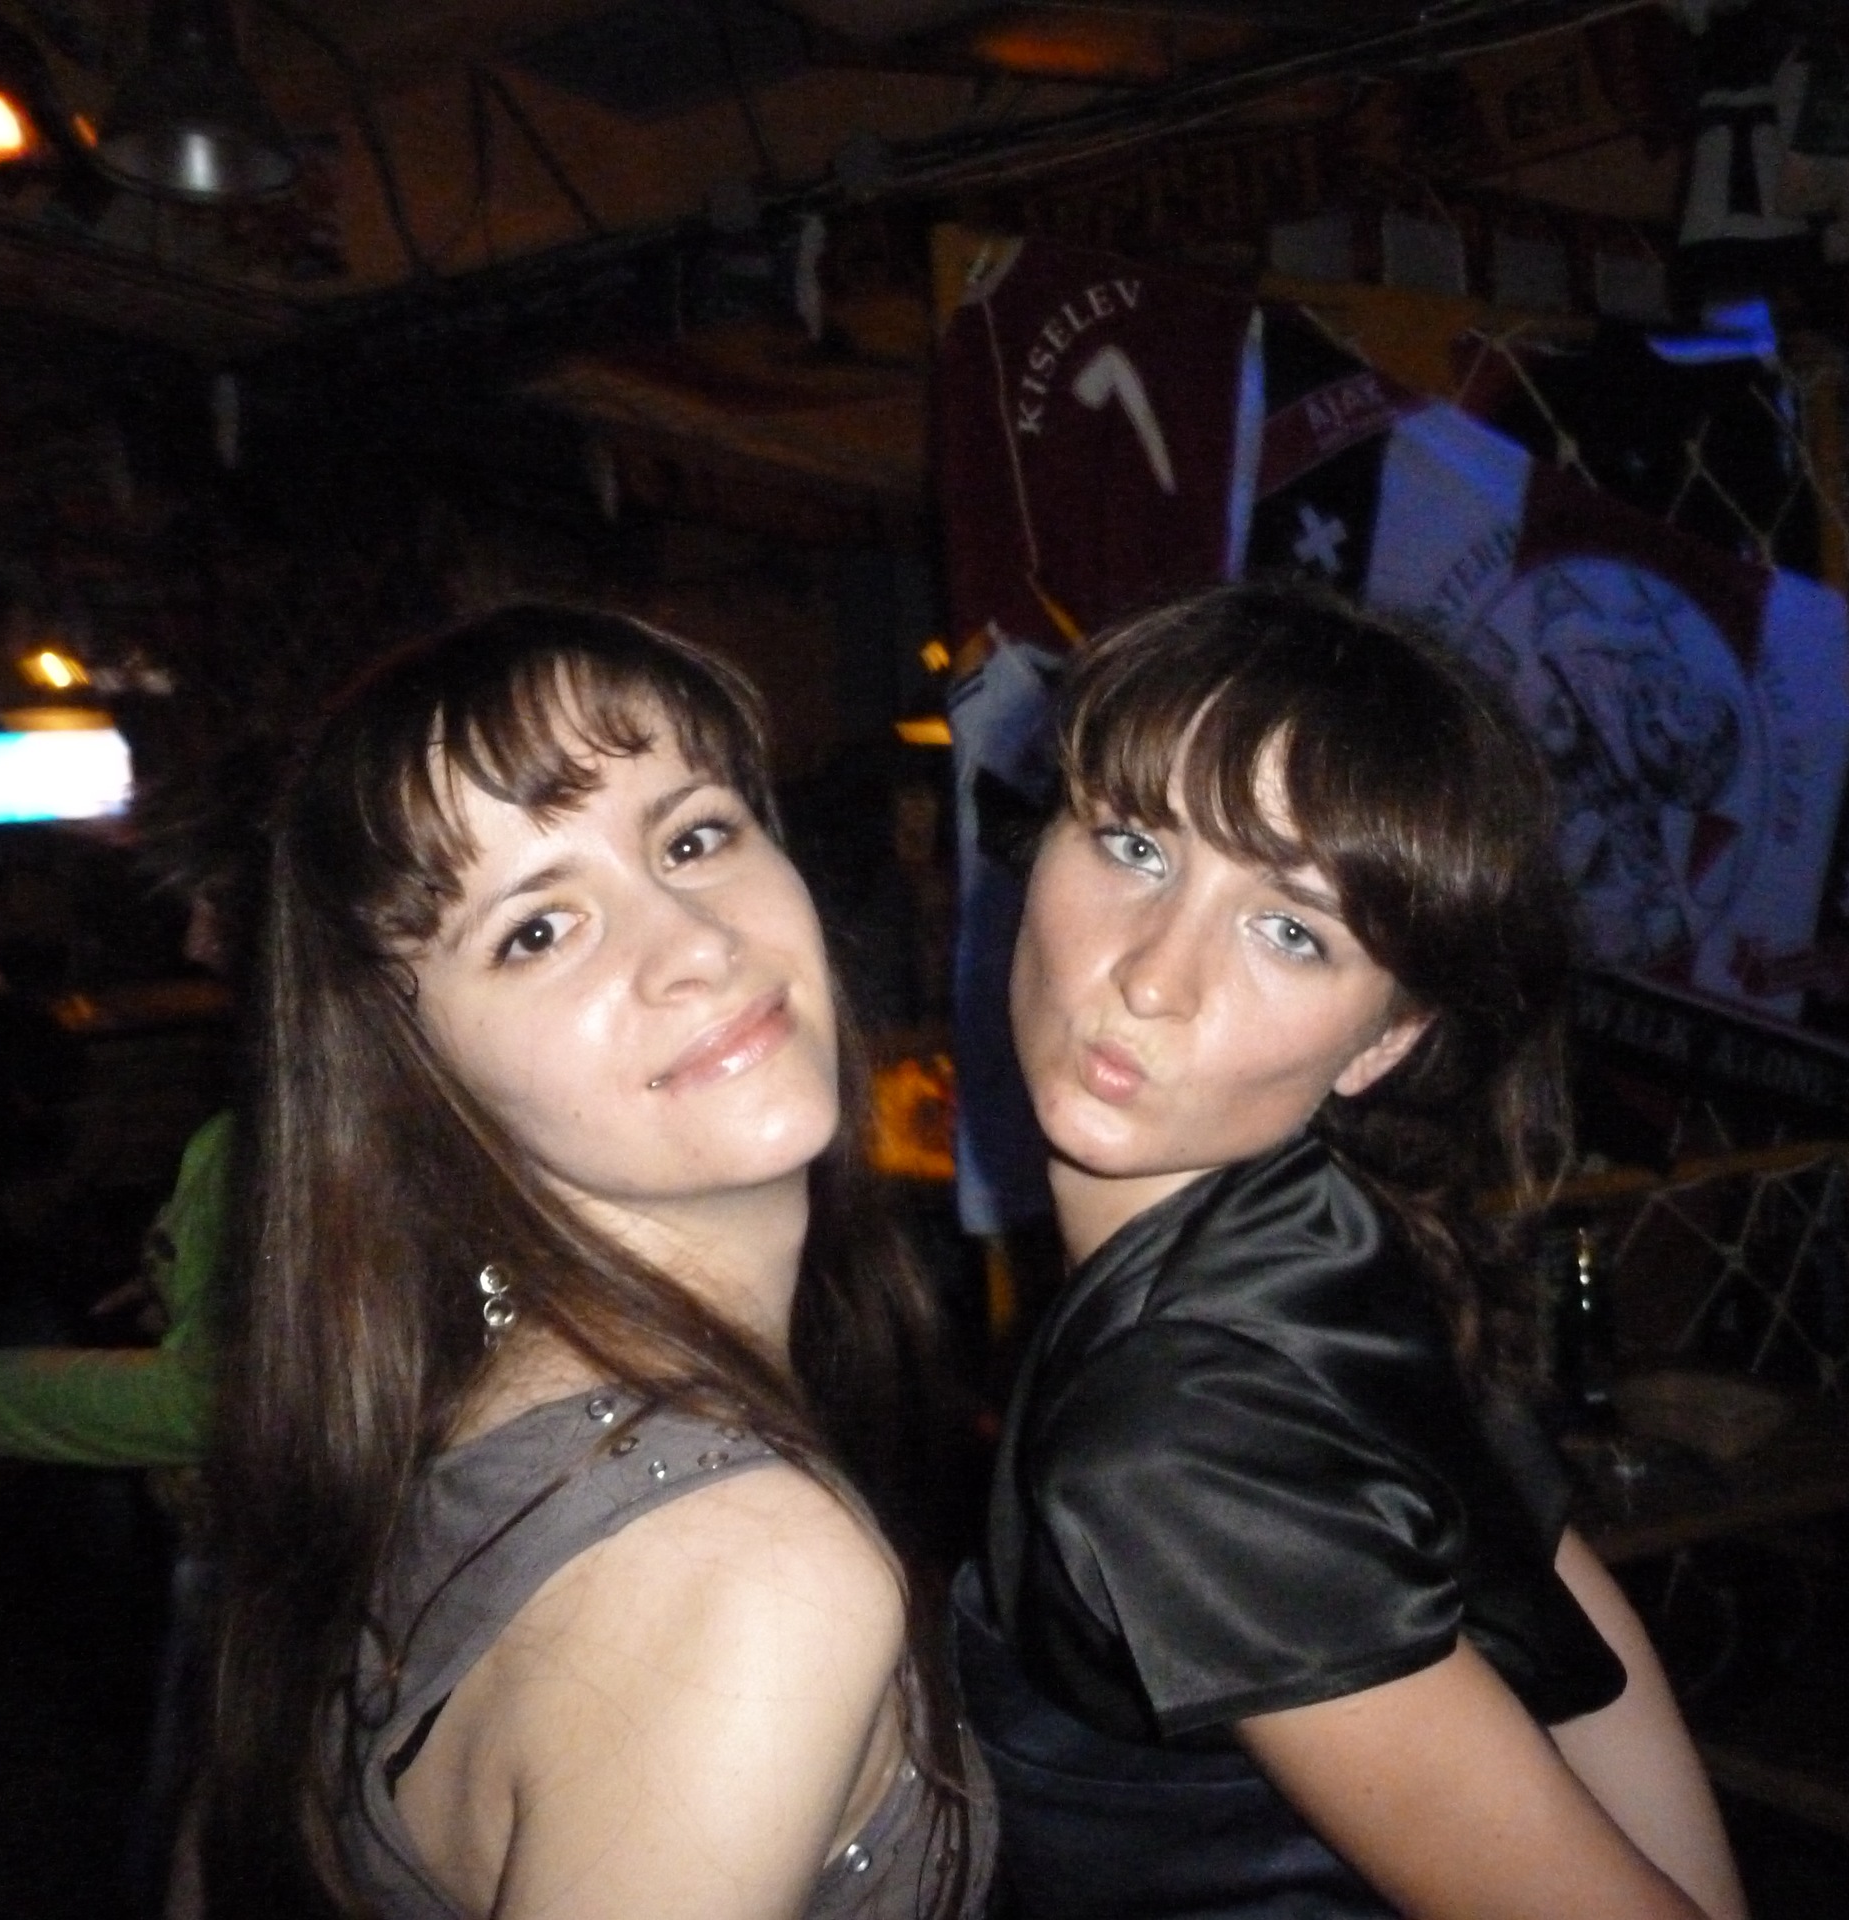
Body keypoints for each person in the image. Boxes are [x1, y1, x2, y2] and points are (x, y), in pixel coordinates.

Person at [956, 581, 1748, 1920]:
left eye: (1291, 931)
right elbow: (1566, 1605)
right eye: (1137, 846)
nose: (1154, 977)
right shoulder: (1325, 1233)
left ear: (1383, 1040)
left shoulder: (1179, 1443)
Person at [203, 605, 990, 1919]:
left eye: (693, 838)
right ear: (409, 1081)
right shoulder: (747, 1581)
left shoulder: (450, 1410)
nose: (695, 945)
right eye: (537, 929)